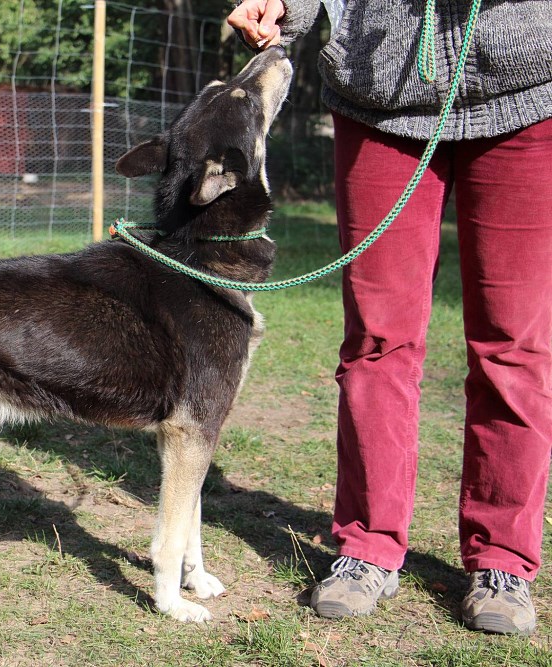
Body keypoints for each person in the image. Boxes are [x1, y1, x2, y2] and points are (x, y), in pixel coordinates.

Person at [227, 0, 552, 635]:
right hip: (379, 100)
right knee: (378, 340)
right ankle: (367, 547)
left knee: (514, 345)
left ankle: (503, 560)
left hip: (527, 90)